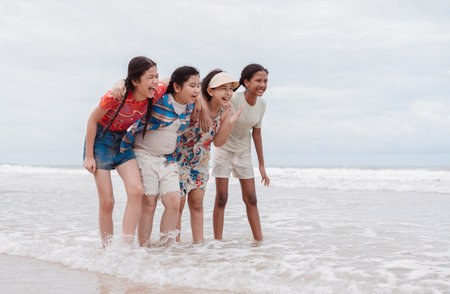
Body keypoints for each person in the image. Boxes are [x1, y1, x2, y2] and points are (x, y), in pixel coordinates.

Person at [83, 56, 166, 247]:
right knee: (107, 201)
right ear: (135, 81)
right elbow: (92, 120)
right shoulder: (115, 96)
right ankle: (107, 249)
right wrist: (89, 156)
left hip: (123, 140)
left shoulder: (154, 91)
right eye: (150, 77)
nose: (155, 81)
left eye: (156, 76)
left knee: (136, 191)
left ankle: (125, 248)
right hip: (100, 141)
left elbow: (169, 81)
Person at [119, 66, 200, 246]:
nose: (197, 90)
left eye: (198, 86)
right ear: (177, 87)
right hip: (144, 154)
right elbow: (151, 86)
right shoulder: (159, 100)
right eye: (192, 85)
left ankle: (166, 249)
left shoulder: (189, 107)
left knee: (174, 201)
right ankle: (143, 248)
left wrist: (199, 99)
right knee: (149, 202)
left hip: (168, 159)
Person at [176, 70, 243, 243]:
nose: (228, 93)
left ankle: (199, 245)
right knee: (179, 204)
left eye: (230, 89)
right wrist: (201, 103)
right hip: (179, 158)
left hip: (201, 161)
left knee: (197, 203)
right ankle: (172, 246)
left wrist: (230, 123)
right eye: (223, 88)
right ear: (210, 91)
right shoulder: (198, 104)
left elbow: (218, 142)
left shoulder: (226, 110)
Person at [211, 63, 270, 241]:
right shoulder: (233, 99)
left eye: (265, 81)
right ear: (246, 81)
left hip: (244, 152)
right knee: (222, 197)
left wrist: (261, 165)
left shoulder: (262, 104)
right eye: (258, 80)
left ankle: (259, 241)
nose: (262, 85)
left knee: (251, 197)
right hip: (224, 149)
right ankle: (217, 242)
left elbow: (257, 134)